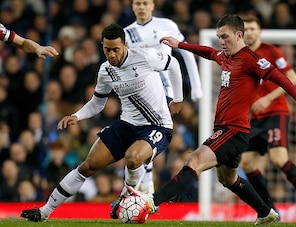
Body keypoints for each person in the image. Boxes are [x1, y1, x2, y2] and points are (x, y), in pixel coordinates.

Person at [123, 14, 296, 225]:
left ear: (239, 35)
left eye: (225, 37)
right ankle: (265, 212)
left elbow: (279, 76)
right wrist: (180, 44)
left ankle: (151, 202)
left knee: (194, 160)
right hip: (228, 129)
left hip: (234, 130)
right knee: (228, 179)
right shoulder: (226, 56)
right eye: (219, 37)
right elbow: (208, 52)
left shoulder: (250, 58)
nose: (221, 42)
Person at [20, 23, 183, 222]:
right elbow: (97, 103)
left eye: (116, 49)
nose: (112, 55)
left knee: (133, 158)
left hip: (157, 125)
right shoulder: (106, 71)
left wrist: (178, 99)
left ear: (124, 45)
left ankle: (125, 195)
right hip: (127, 125)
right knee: (87, 166)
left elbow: (173, 64)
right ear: (102, 47)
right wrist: (77, 116)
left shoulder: (144, 57)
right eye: (107, 50)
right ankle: (44, 212)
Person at [110, 0, 202, 215]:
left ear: (152, 5)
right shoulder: (126, 33)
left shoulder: (167, 25)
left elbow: (186, 52)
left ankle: (142, 193)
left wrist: (196, 88)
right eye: (137, 3)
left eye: (145, 3)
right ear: (133, 7)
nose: (141, 7)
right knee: (142, 141)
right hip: (139, 91)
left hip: (164, 88)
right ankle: (145, 193)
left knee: (147, 138)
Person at [239, 15, 296, 222]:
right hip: (255, 118)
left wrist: (267, 98)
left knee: (278, 159)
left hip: (276, 112)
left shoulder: (271, 51)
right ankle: (271, 210)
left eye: (252, 28)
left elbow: (293, 78)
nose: (249, 32)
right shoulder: (239, 55)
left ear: (259, 31)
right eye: (245, 29)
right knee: (248, 164)